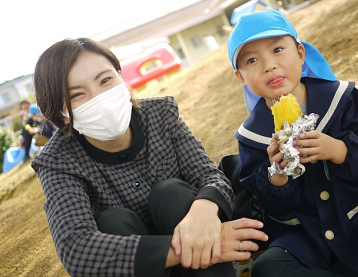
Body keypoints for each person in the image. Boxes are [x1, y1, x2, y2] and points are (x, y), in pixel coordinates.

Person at [31, 37, 267, 277]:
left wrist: (204, 212)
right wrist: (189, 247)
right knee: (111, 221)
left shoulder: (160, 113)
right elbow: (77, 249)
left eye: (105, 80)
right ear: (60, 117)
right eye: (76, 95)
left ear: (121, 77)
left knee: (172, 192)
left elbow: (208, 176)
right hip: (136, 262)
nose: (99, 98)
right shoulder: (58, 161)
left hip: (194, 252)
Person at [226, 9, 358, 276]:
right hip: (306, 234)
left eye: (277, 50)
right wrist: (277, 178)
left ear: (299, 53)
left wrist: (340, 150)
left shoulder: (342, 99)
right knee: (269, 267)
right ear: (241, 77)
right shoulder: (252, 136)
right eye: (251, 60)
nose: (268, 65)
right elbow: (268, 207)